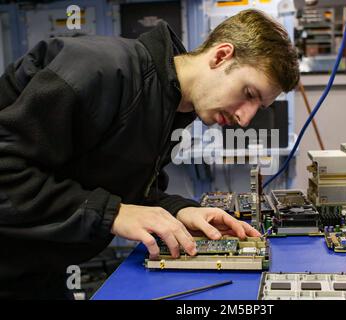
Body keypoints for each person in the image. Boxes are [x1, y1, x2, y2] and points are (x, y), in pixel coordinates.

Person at [0, 9, 300, 299]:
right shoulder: (100, 69)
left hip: (38, 272)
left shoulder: (168, 104)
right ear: (221, 56)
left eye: (258, 107)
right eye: (248, 94)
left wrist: (181, 211)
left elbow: (124, 189)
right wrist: (113, 213)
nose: (245, 119)